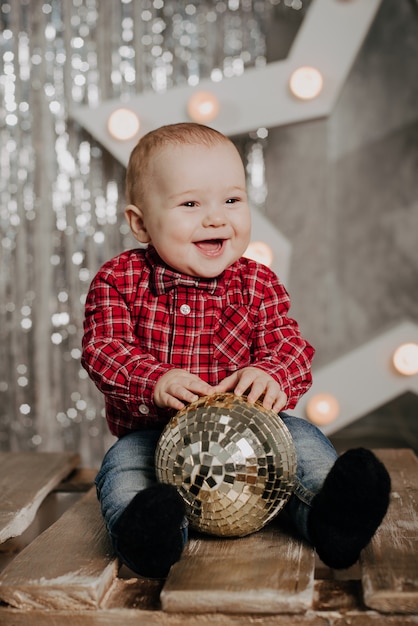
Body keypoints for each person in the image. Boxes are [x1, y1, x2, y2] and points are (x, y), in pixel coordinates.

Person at [81, 122, 391, 579]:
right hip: (153, 438)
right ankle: (148, 535)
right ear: (140, 223)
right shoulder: (119, 279)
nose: (216, 218)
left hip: (257, 440)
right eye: (190, 204)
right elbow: (102, 349)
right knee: (123, 470)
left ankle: (332, 517)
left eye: (232, 199)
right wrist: (156, 380)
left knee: (305, 445)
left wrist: (271, 374)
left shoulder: (257, 282)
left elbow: (290, 346)